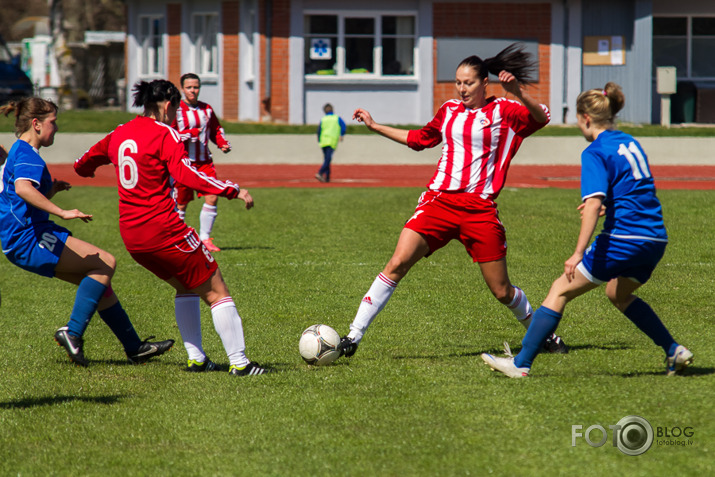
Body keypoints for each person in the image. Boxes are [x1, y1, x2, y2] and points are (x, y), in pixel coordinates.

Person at [337, 43, 566, 359]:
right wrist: (375, 126)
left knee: (502, 290)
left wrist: (518, 92)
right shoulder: (449, 111)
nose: (462, 89)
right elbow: (419, 140)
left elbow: (540, 119)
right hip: (438, 203)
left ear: (485, 83)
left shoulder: (504, 111)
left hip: (479, 210)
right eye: (458, 82)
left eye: (468, 83)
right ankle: (352, 336)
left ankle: (544, 334)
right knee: (397, 262)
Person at [481, 82, 693, 378]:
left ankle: (521, 364)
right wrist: (611, 205)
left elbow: (592, 205)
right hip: (655, 237)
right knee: (618, 293)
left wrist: (578, 253)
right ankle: (673, 350)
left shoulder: (594, 151)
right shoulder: (630, 141)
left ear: (586, 119)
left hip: (624, 237)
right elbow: (634, 188)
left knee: (559, 289)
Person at [75, 79, 271, 377]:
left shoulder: (119, 132)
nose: (176, 114)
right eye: (176, 108)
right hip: (163, 229)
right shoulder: (165, 134)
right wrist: (232, 189)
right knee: (217, 290)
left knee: (185, 286)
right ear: (168, 105)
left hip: (133, 237)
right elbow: (187, 175)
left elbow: (82, 164)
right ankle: (241, 364)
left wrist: (86, 171)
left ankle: (197, 359)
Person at [0, 98, 174, 367]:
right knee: (104, 263)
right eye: (52, 122)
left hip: (24, 236)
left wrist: (51, 190)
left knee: (98, 281)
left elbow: (20, 195)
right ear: (36, 124)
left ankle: (134, 347)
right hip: (28, 237)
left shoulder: (21, 151)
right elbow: (23, 188)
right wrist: (63, 211)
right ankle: (72, 333)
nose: (56, 128)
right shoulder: (26, 154)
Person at [171, 73, 231, 252]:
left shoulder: (207, 109)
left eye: (195, 87)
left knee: (212, 196)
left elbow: (216, 129)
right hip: (183, 163)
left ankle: (205, 238)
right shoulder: (176, 109)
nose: (193, 90)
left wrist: (222, 143)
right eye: (189, 87)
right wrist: (189, 134)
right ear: (182, 89)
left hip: (204, 162)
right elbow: (169, 134)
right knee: (181, 203)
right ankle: (179, 239)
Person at [315, 103, 346, 183]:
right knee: (328, 159)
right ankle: (320, 172)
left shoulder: (323, 119)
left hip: (323, 141)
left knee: (326, 159)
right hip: (331, 140)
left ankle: (327, 177)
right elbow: (343, 126)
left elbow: (319, 131)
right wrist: (341, 135)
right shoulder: (336, 118)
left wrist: (319, 140)